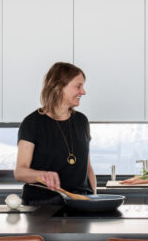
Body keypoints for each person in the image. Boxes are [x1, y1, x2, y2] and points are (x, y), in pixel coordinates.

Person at [14, 62, 97, 205]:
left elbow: (87, 168)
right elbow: (20, 171)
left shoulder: (82, 121)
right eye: (78, 86)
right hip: (43, 205)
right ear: (59, 87)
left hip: (80, 203)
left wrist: (94, 199)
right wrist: (41, 175)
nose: (83, 92)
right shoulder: (32, 123)